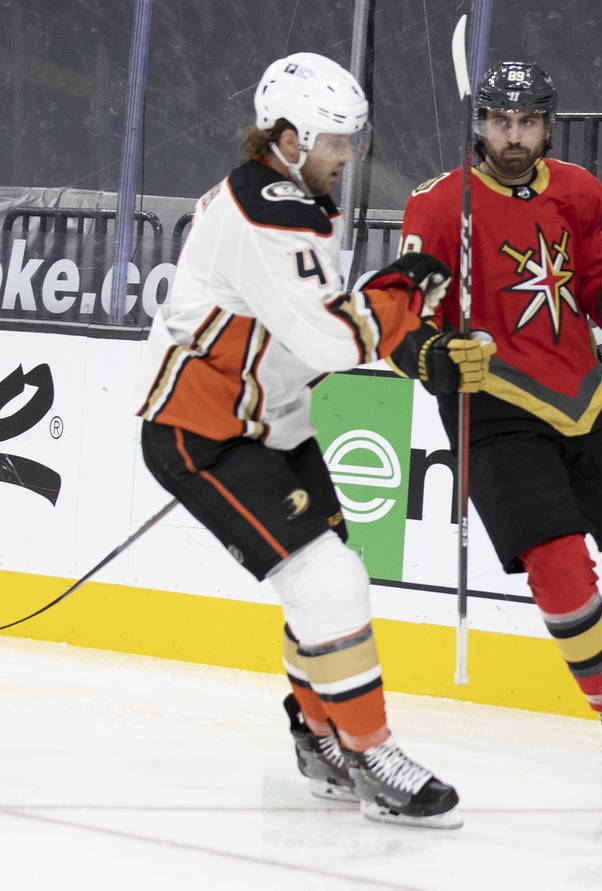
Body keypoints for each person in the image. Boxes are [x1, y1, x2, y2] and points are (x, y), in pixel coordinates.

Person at [135, 52, 482, 828]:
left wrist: (399, 307)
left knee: (319, 581)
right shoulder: (270, 211)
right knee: (329, 581)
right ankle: (370, 754)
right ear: (287, 138)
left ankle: (319, 737)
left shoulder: (288, 199)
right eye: (335, 140)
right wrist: (398, 296)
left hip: (272, 421)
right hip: (206, 432)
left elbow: (304, 331)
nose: (347, 155)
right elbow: (329, 339)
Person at [389, 60, 602, 784]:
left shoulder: (579, 190)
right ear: (479, 123)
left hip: (586, 393)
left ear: (547, 123)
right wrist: (433, 358)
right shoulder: (440, 205)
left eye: (528, 122)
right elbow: (397, 317)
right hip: (495, 403)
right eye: (501, 122)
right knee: (556, 558)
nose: (514, 136)